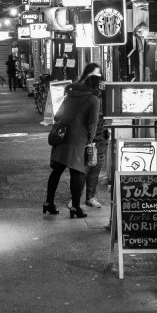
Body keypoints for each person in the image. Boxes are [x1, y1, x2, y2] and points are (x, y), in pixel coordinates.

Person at [43, 73, 100, 218]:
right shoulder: (93, 100)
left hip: (61, 137)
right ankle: (75, 207)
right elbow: (93, 124)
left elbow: (57, 116)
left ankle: (49, 203)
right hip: (78, 140)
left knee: (56, 171)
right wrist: (90, 140)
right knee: (77, 173)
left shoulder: (70, 95)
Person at [77, 63, 109, 210]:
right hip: (86, 138)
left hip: (99, 137)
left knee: (94, 169)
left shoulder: (103, 96)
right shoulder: (85, 97)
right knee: (83, 169)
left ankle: (90, 197)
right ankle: (77, 198)